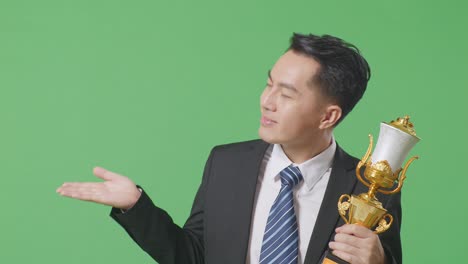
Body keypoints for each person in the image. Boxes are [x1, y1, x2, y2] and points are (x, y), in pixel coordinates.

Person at [57, 33, 402, 264]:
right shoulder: (226, 163)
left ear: (328, 116)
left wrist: (380, 262)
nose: (267, 101)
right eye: (268, 84)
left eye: (286, 94)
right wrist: (136, 206)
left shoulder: (370, 187)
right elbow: (192, 255)